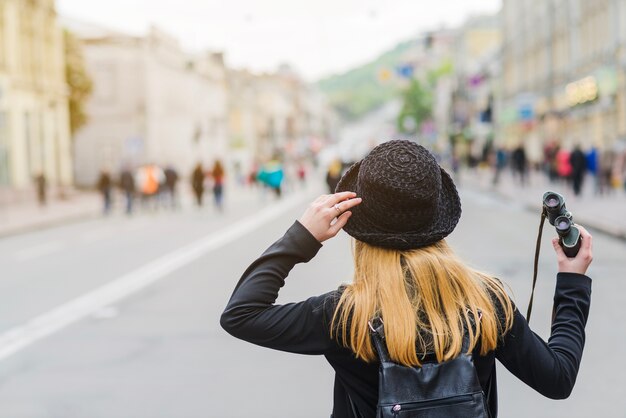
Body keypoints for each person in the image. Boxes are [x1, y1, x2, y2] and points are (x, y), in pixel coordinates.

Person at [221, 140, 593, 418]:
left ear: (357, 223)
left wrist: (302, 235)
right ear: (438, 217)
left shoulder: (345, 315)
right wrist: (571, 282)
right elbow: (558, 378)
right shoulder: (485, 301)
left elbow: (241, 313)